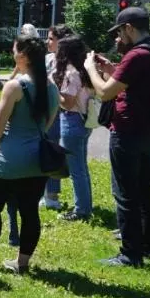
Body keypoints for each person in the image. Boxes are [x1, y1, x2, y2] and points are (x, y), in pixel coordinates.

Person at [0, 34, 58, 273]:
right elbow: (47, 124)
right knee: (30, 212)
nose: (12, 54)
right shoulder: (52, 87)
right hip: (37, 161)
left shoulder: (15, 86)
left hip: (9, 159)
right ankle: (22, 263)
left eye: (14, 50)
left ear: (23, 56)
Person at [85, 7, 150, 266]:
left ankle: (130, 254)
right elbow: (131, 84)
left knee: (127, 193)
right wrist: (111, 69)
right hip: (149, 130)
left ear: (129, 28)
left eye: (120, 31)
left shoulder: (136, 55)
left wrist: (91, 69)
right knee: (147, 189)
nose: (118, 37)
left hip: (127, 130)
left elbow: (105, 92)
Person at [53, 36, 95, 221]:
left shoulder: (71, 73)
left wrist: (54, 91)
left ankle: (82, 210)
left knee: (76, 169)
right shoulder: (85, 71)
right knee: (81, 167)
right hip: (85, 120)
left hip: (72, 120)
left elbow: (68, 103)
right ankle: (85, 205)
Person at [41, 24, 75, 211]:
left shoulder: (69, 63)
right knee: (42, 149)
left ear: (61, 42)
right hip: (44, 109)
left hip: (60, 111)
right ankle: (42, 192)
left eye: (51, 39)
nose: (48, 42)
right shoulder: (47, 59)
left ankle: (52, 196)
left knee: (54, 151)